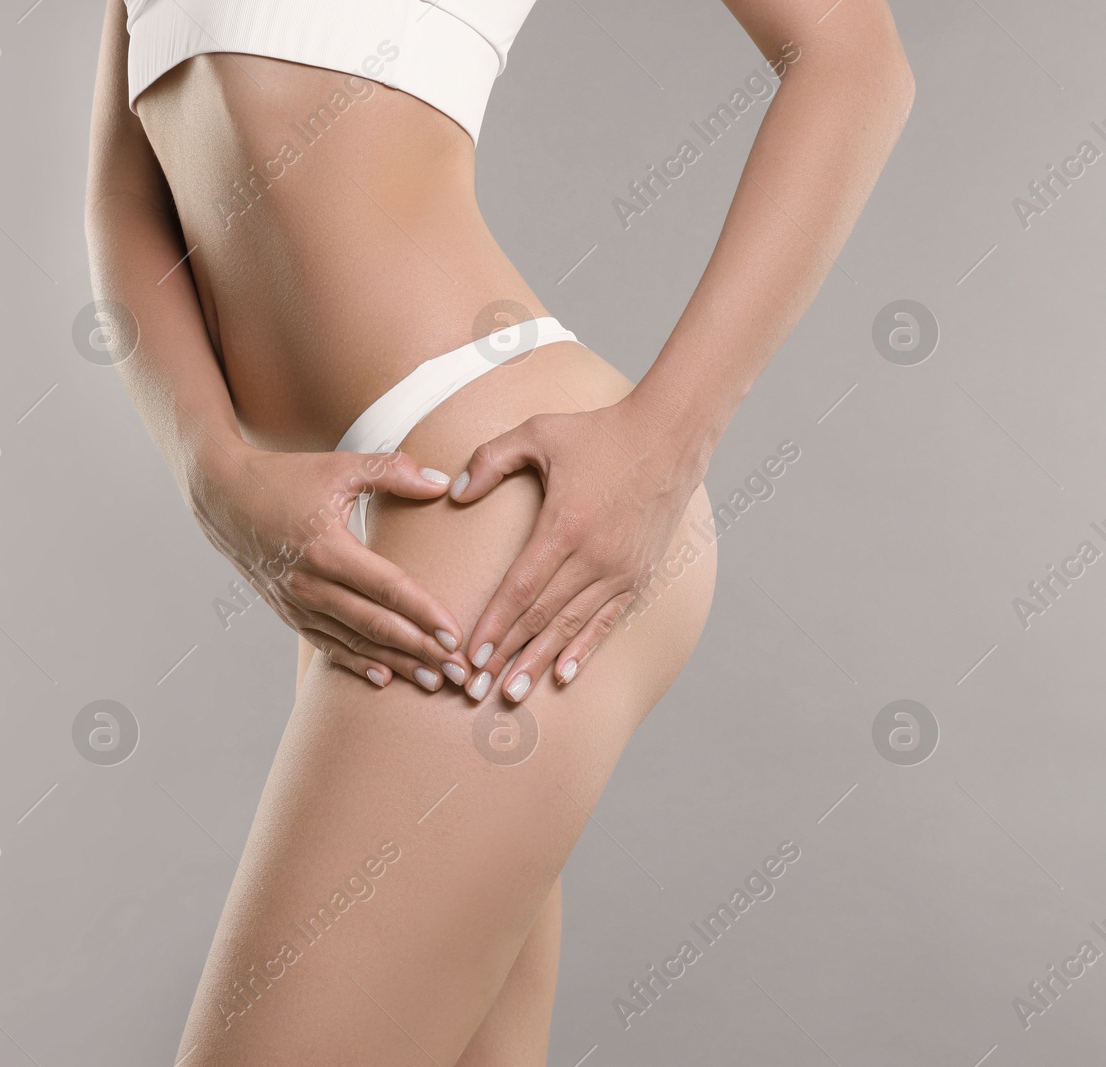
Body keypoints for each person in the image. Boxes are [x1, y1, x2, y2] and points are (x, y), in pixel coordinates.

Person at [85, 1, 913, 1061]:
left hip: (487, 500)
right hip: (377, 546)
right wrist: (216, 469)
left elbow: (855, 57)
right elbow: (124, 198)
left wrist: (665, 445)